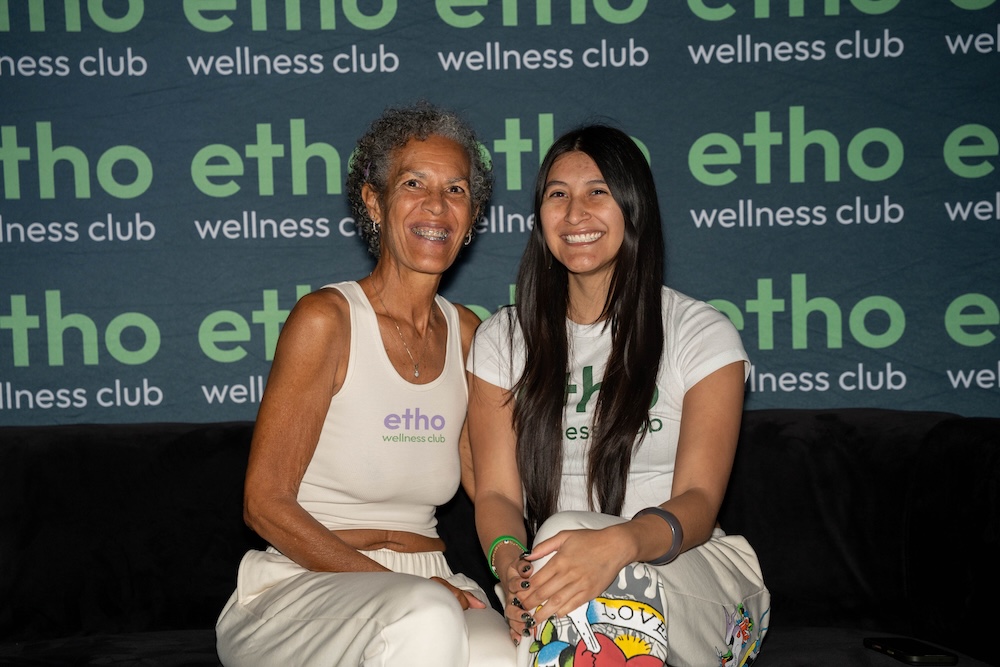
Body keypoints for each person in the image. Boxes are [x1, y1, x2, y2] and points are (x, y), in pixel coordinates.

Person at [216, 102, 515, 666]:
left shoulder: (469, 334)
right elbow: (264, 504)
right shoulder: (326, 320)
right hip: (304, 583)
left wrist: (541, 567)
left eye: (455, 190)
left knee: (503, 655)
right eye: (413, 183)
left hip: (430, 578)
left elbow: (494, 486)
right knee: (426, 617)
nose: (436, 205)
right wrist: (397, 583)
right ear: (374, 203)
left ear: (472, 216)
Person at [467, 125, 770, 667]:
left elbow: (699, 501)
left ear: (634, 206)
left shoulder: (698, 332)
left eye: (597, 192)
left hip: (696, 584)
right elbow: (496, 495)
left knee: (567, 536)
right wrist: (513, 568)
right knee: (529, 602)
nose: (575, 212)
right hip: (566, 583)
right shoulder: (503, 340)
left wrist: (620, 544)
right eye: (557, 194)